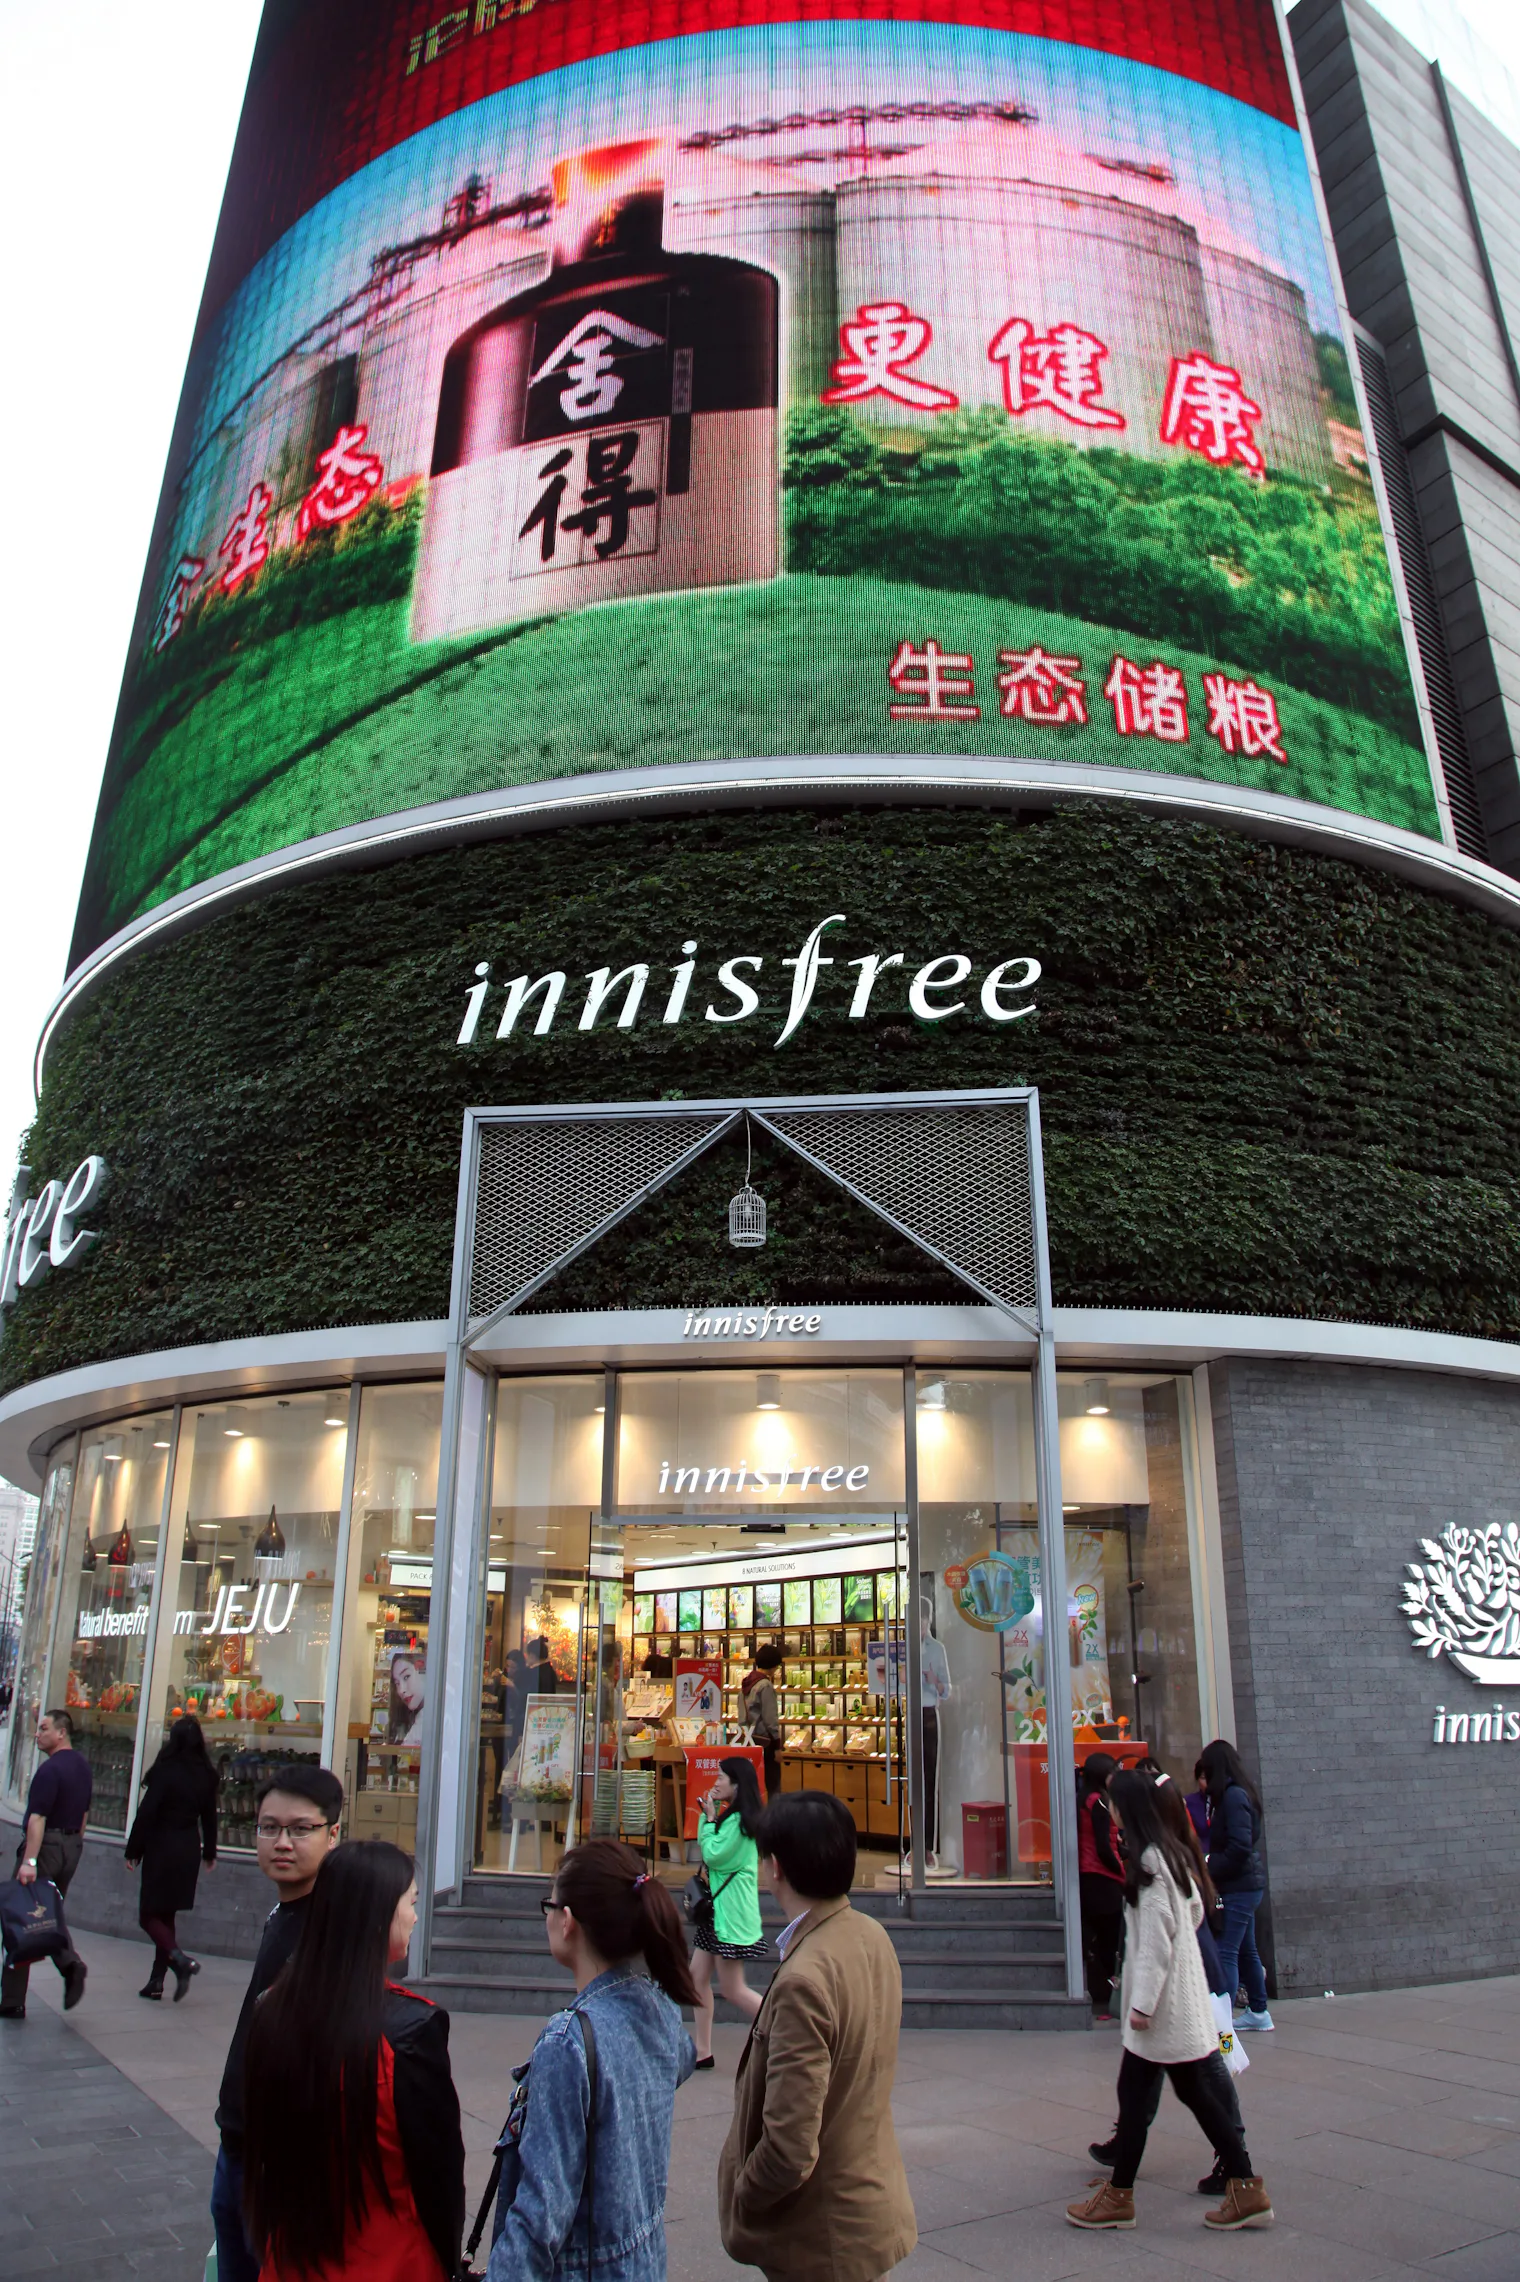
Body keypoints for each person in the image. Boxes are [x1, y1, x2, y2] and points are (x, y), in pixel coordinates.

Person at [719, 1791, 916, 2282]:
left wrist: (744, 2192)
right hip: (866, 2202)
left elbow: (788, 2147)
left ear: (776, 1868)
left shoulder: (804, 1978)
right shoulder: (870, 1934)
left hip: (820, 2230)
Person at [244, 1839, 464, 2279]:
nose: (415, 1917)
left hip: (291, 2259)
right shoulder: (412, 2029)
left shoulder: (270, 2008)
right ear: (377, 1915)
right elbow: (438, 2175)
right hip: (392, 2261)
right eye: (411, 1903)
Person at [1066, 1771, 1272, 2234]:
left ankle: (1124, 2197)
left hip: (1163, 2013)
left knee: (1156, 2096)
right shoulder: (1172, 1857)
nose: (1110, 1811)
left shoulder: (1152, 1867)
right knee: (1170, 2095)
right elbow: (1193, 1913)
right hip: (1180, 2005)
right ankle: (1242, 2186)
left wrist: (1140, 2005)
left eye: (1114, 1805)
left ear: (1128, 1811)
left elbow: (1157, 1944)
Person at [487, 1838, 697, 2280]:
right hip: (642, 2264)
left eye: (549, 1904)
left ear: (567, 1922)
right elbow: (682, 2059)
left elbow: (541, 2212)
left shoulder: (569, 2041)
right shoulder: (659, 2007)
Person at [210, 1763, 343, 2282]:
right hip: (239, 2142)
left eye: (300, 1829)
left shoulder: (328, 1933)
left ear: (333, 1834)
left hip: (278, 2161)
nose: (282, 1842)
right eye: (269, 1827)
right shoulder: (282, 1913)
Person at [1, 1707, 90, 2017]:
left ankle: (12, 2000)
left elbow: (36, 1819)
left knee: (21, 1918)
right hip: (71, 1847)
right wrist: (74, 1845)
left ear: (61, 1732)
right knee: (49, 1915)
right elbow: (83, 1816)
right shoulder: (82, 1766)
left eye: (44, 1728)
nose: (38, 1734)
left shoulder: (49, 1770)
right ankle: (70, 1964)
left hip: (46, 1846)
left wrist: (30, 1860)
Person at [124, 1713, 219, 2001]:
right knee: (167, 1914)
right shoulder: (206, 1774)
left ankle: (179, 1960)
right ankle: (156, 1981)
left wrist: (133, 1849)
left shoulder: (166, 1770)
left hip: (162, 1846)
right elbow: (210, 1817)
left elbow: (147, 1812)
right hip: (188, 1846)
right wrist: (210, 1852)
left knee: (148, 1915)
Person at [690, 1756, 768, 2066]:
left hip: (730, 1916)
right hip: (717, 1915)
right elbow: (711, 1849)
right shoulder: (732, 1816)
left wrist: (709, 1819)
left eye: (722, 1777)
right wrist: (710, 1816)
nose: (716, 1781)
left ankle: (785, 2032)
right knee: (696, 1978)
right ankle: (702, 2050)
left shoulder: (741, 1822)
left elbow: (713, 1853)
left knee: (733, 1989)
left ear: (736, 1784)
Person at [1199, 1739, 1274, 2031]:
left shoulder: (1232, 1797)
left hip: (1240, 1885)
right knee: (1246, 1949)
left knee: (1227, 1951)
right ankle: (1258, 2011)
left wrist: (1209, 1864)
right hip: (1244, 1883)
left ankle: (1223, 2023)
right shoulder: (1239, 1793)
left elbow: (1239, 1846)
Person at [1075, 1751, 1123, 2019]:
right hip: (1103, 1880)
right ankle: (1114, 1994)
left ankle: (1105, 1993)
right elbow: (1104, 1848)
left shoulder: (1084, 1800)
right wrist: (1122, 1872)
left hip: (1088, 1877)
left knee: (1100, 1940)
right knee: (1112, 1942)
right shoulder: (1099, 1805)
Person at [740, 1645, 784, 1798]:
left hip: (750, 1741)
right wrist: (777, 1746)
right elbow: (770, 1719)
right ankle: (772, 1820)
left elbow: (741, 1717)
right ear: (772, 1666)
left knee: (754, 1788)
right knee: (772, 1788)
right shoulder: (765, 1685)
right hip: (767, 1743)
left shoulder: (746, 1683)